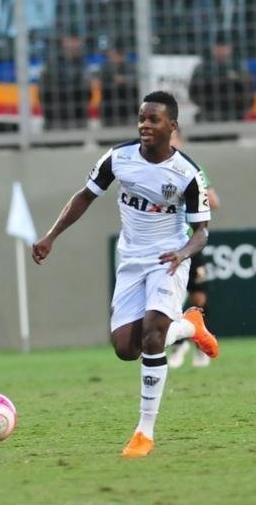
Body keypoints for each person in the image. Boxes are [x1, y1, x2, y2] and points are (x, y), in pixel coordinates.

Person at [32, 91, 218, 457]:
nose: (145, 125)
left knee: (152, 335)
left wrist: (181, 253)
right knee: (124, 348)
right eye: (142, 118)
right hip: (130, 261)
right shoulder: (118, 158)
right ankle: (189, 327)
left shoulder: (187, 174)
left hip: (168, 260)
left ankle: (144, 433)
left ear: (172, 126)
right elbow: (84, 196)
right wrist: (52, 235)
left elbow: (202, 231)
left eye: (154, 119)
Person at [167, 129, 221, 370]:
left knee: (198, 296)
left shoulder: (191, 169)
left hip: (190, 243)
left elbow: (215, 201)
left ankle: (200, 345)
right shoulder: (152, 167)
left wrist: (193, 198)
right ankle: (179, 345)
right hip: (166, 246)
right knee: (170, 301)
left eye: (173, 137)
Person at [188, 33, 255, 123]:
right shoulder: (203, 69)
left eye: (224, 47)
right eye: (219, 47)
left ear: (230, 48)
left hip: (234, 113)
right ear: (213, 49)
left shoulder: (240, 68)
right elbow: (193, 93)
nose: (222, 51)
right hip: (209, 112)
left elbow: (249, 94)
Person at [39, 32, 91, 131]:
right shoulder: (52, 63)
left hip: (78, 118)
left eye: (76, 41)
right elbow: (43, 94)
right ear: (64, 42)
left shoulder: (83, 64)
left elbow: (87, 94)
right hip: (55, 118)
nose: (74, 44)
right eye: (71, 40)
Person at [95, 40, 140, 128]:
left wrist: (125, 80)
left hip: (127, 101)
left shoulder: (129, 67)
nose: (116, 57)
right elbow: (99, 82)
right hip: (110, 102)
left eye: (119, 54)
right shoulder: (105, 68)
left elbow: (137, 80)